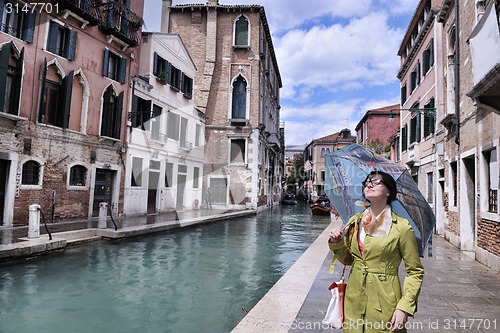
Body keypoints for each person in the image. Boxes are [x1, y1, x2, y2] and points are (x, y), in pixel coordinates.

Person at [328, 171, 424, 333]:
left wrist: (404, 307)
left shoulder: (401, 227)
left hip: (385, 302)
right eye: (367, 182)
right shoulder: (356, 221)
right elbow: (350, 260)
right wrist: (337, 243)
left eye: (377, 182)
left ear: (388, 191)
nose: (369, 184)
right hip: (353, 300)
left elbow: (415, 272)